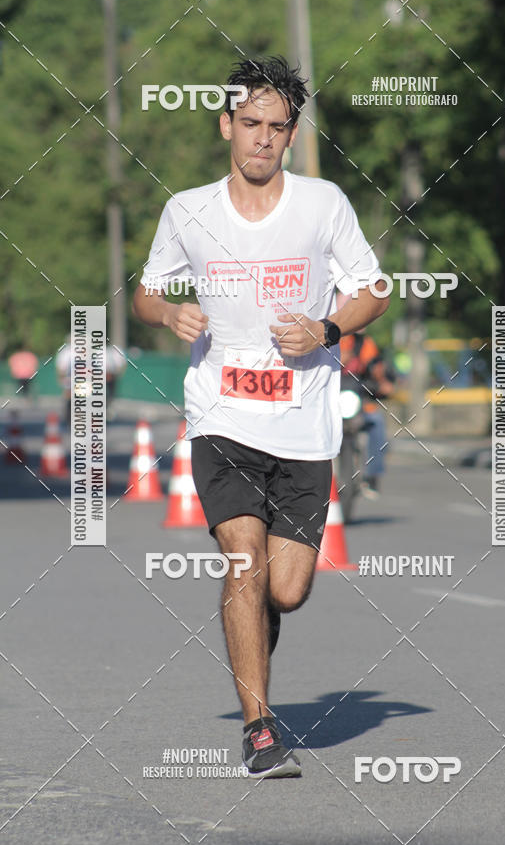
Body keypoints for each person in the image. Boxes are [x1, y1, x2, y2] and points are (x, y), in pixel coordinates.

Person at [132, 56, 389, 778]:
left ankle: (257, 625)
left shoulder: (323, 204)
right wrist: (168, 310)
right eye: (250, 124)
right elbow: (145, 293)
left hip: (304, 424)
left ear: (292, 135)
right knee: (242, 558)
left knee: (286, 589)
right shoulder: (187, 209)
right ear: (227, 126)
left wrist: (328, 329)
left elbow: (374, 289)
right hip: (222, 417)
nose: (263, 140)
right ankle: (260, 728)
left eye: (277, 128)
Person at [339, 331, 395, 497]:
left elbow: (377, 369)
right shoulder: (332, 336)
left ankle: (372, 476)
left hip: (357, 399)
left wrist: (383, 382)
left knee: (376, 421)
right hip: (330, 399)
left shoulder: (366, 344)